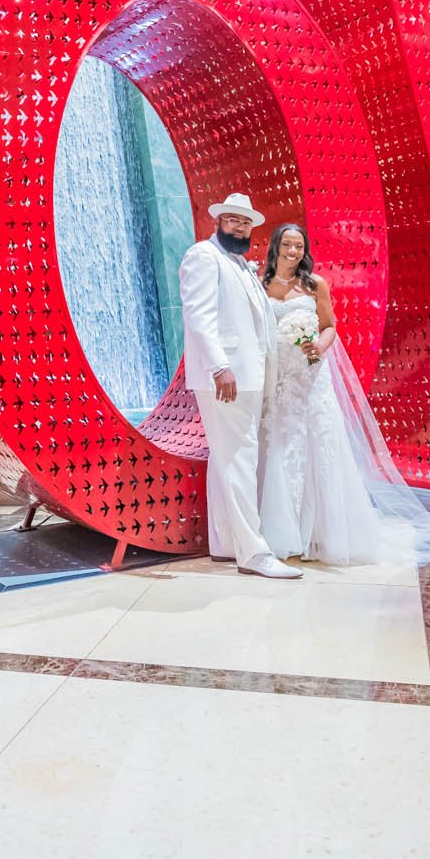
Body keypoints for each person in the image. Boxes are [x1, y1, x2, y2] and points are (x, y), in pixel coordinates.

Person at [255, 225, 430, 566]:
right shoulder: (262, 286)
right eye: (287, 245)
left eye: (299, 246)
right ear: (275, 247)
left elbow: (329, 326)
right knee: (278, 445)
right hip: (278, 380)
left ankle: (322, 533)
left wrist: (317, 350)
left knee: (317, 448)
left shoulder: (314, 285)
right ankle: (282, 531)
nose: (293, 252)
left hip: (310, 378)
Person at [178, 192, 299, 580]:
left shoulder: (243, 266)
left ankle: (226, 543)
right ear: (219, 222)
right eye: (232, 220)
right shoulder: (203, 256)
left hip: (249, 375)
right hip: (227, 377)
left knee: (226, 459)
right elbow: (199, 315)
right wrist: (219, 367)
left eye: (245, 222)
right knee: (241, 458)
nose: (239, 227)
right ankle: (254, 553)